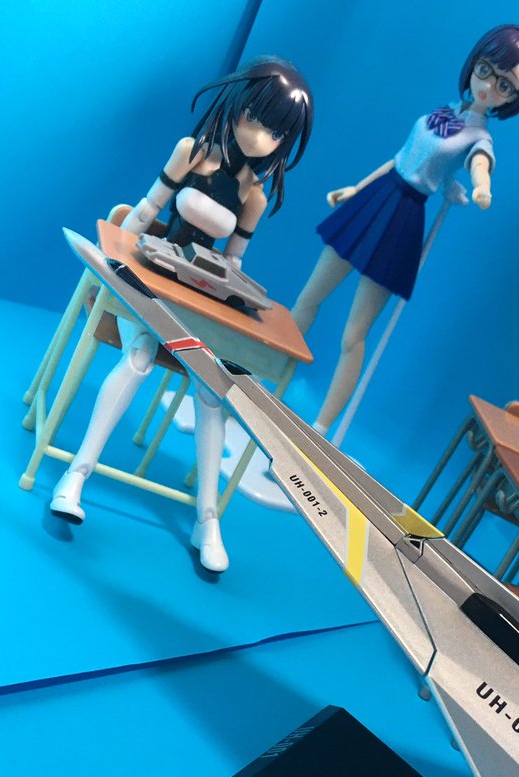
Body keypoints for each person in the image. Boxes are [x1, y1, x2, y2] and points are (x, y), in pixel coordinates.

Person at [50, 57, 314, 572]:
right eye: (256, 119)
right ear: (238, 106)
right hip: (149, 280)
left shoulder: (253, 197)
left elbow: (233, 263)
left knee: (214, 390)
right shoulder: (192, 153)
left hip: (196, 303)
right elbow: (147, 211)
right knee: (139, 358)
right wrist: (115, 261)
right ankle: (76, 474)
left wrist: (232, 294)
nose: (261, 137)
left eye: (277, 132)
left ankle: (207, 519)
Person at [291, 25, 519, 437]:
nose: (488, 86)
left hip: (403, 218)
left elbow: (480, 161)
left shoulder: (479, 136)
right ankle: (258, 378)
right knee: (308, 297)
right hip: (374, 199)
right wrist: (358, 187)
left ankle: (320, 428)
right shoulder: (443, 111)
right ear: (474, 64)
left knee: (354, 335)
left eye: (505, 85)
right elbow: (400, 158)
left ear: (514, 97)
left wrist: (481, 185)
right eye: (486, 70)